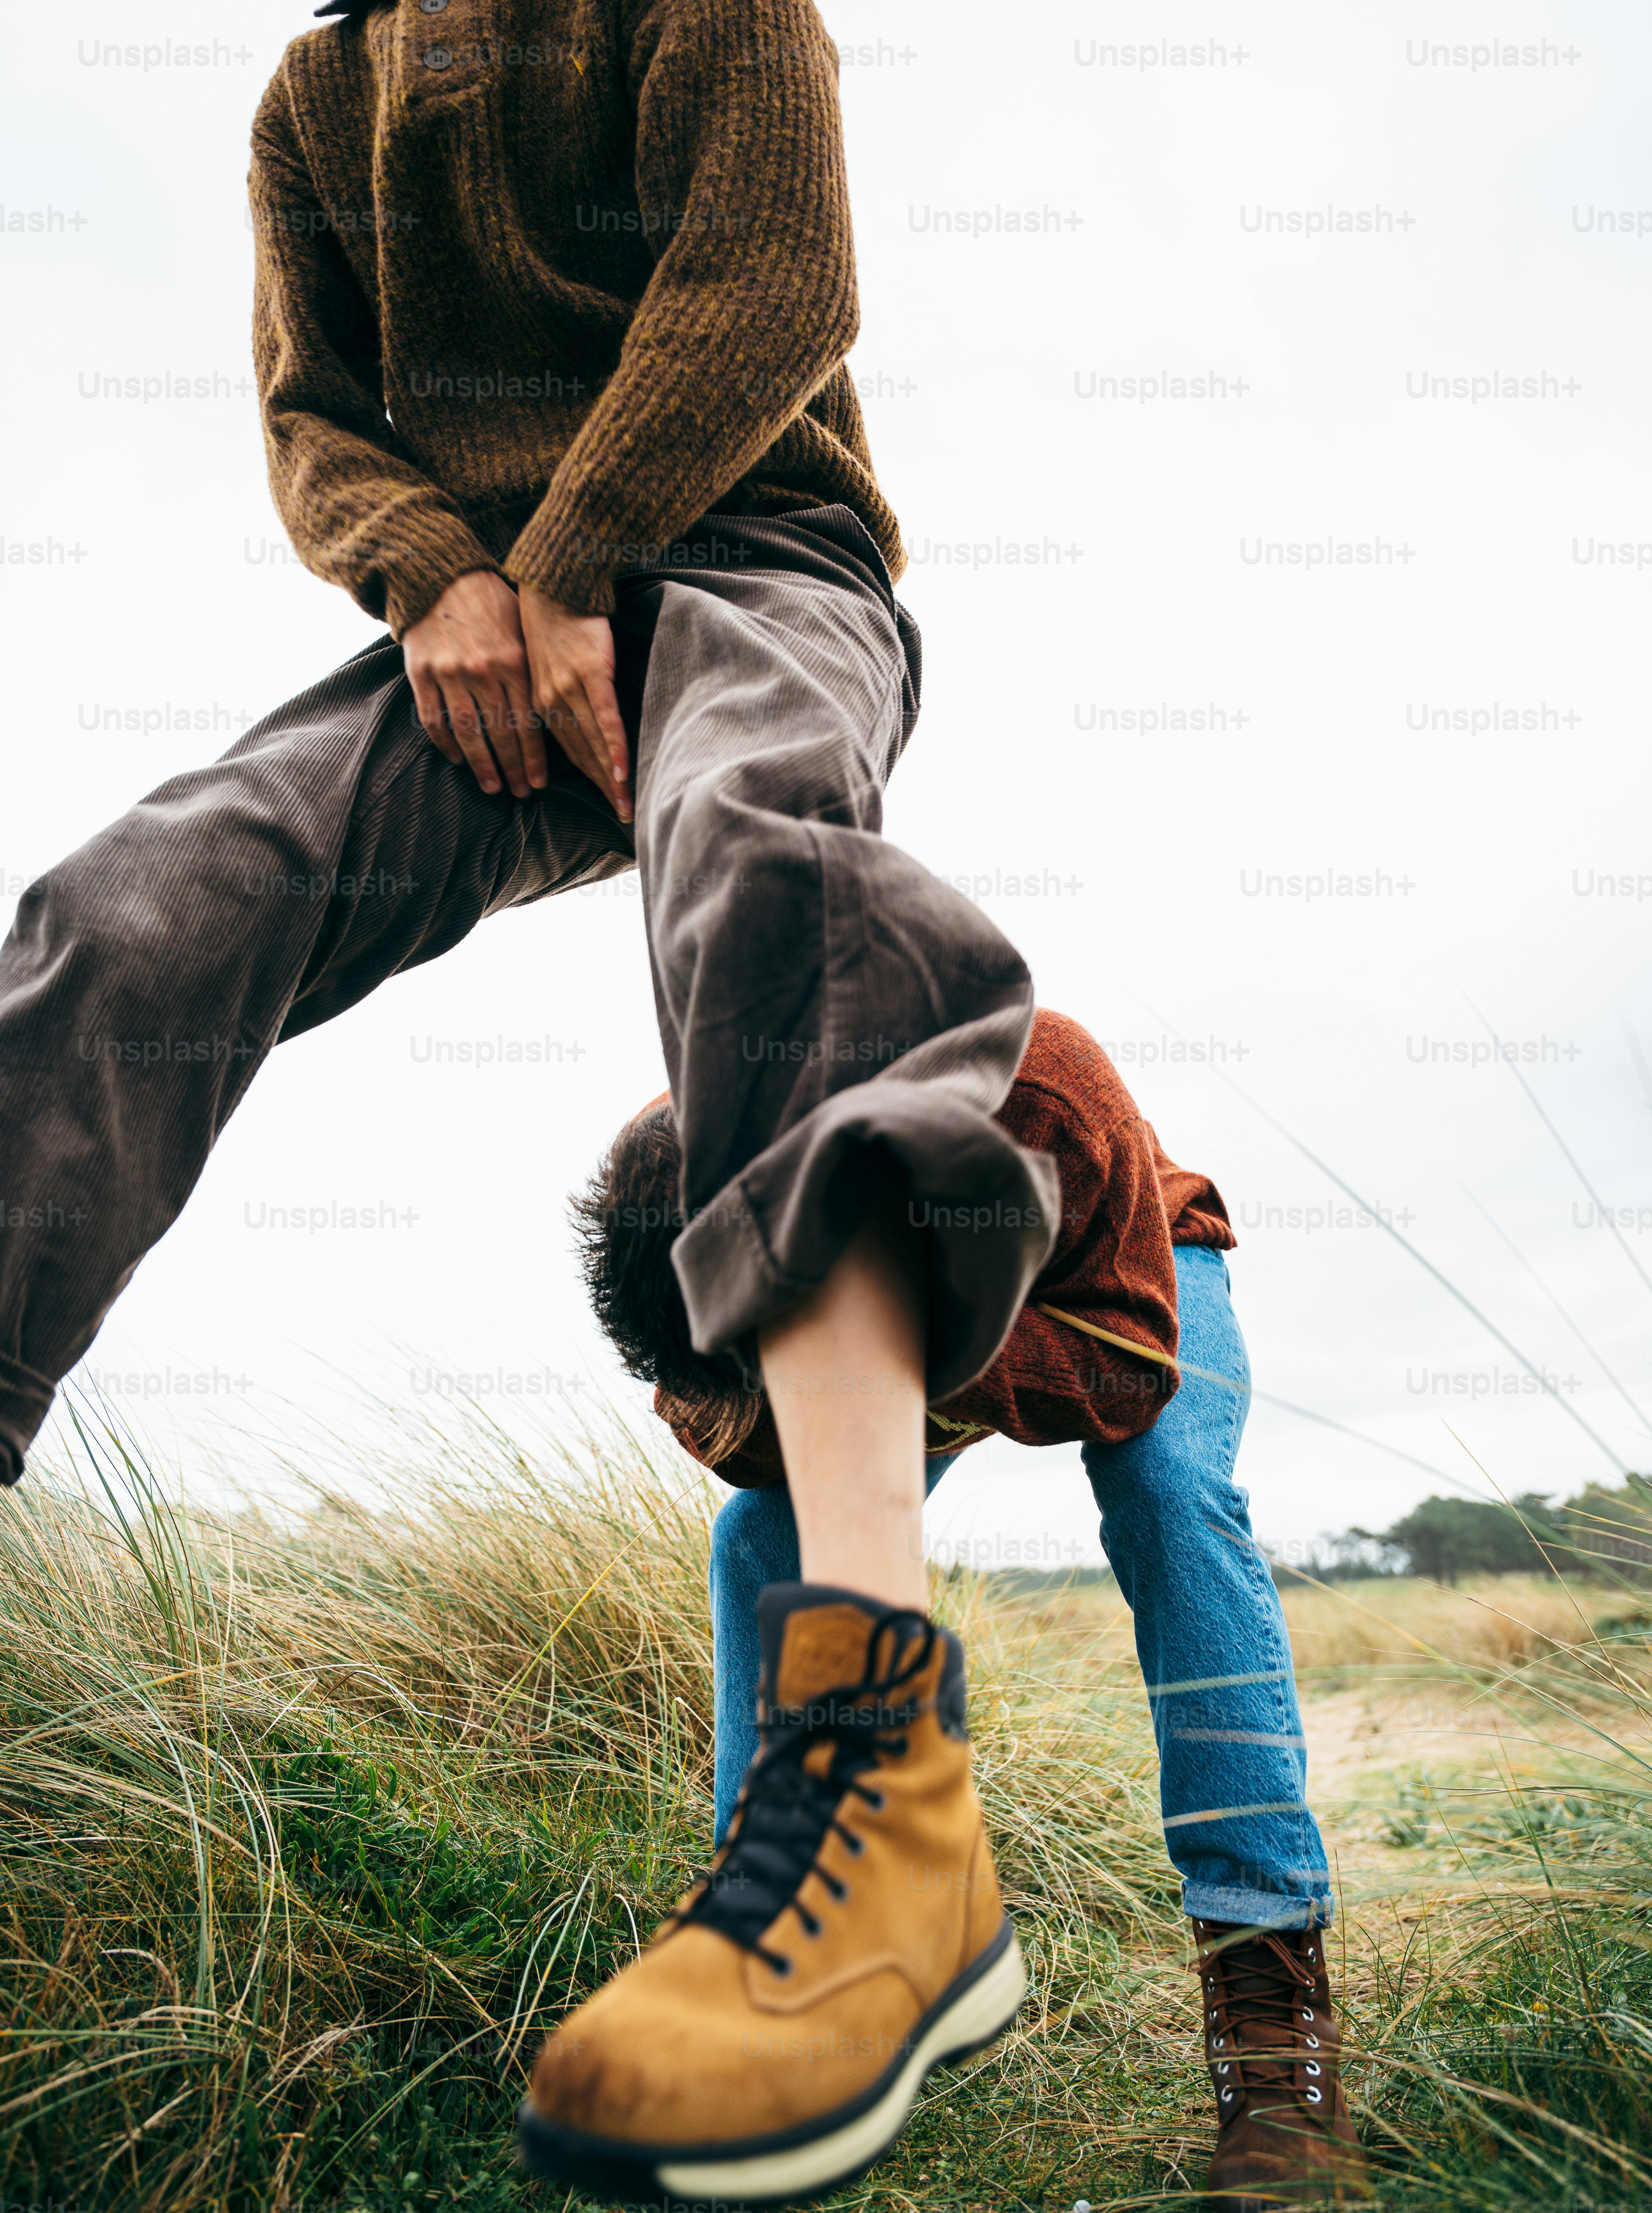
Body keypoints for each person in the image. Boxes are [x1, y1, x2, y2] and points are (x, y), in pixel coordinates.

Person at [5, 0, 1061, 2202]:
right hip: (468, 643)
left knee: (764, 852)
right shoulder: (315, 96)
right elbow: (320, 423)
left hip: (760, 555)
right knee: (135, 911)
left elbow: (776, 287)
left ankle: (885, 1785)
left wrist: (577, 558)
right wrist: (455, 582)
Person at [575, 1007, 1375, 2207]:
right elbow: (711, 1415)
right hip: (888, 1309)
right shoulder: (675, 1190)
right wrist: (789, 1410)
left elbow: (1129, 1362)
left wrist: (913, 1356)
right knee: (763, 1537)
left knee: (1169, 1491)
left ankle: (1273, 2029)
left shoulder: (1039, 1084)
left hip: (1123, 1275)